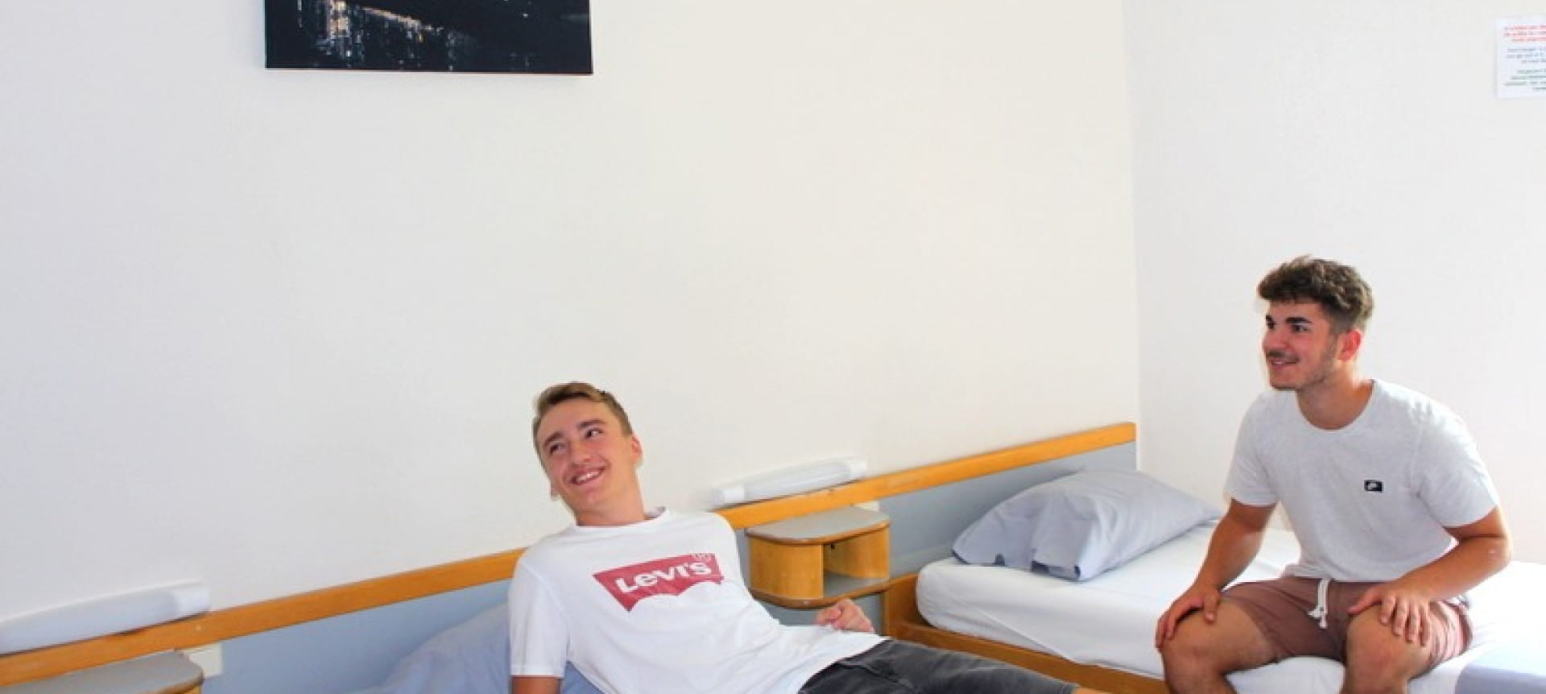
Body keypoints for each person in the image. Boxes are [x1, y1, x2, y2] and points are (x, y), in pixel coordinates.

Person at [509, 381, 1107, 694]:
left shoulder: (706, 530)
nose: (577, 454)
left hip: (846, 654)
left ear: (633, 447)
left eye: (592, 432)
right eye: (555, 447)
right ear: (549, 480)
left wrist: (844, 625)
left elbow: (734, 630)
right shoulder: (549, 567)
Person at [1153, 256, 1510, 694]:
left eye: (1298, 327)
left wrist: (1415, 589)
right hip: (1312, 591)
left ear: (1348, 345)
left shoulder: (1420, 427)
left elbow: (1491, 543)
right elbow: (1244, 522)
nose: (1274, 342)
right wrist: (1205, 584)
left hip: (1410, 594)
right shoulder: (1266, 418)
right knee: (1186, 642)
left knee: (1378, 648)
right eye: (1271, 324)